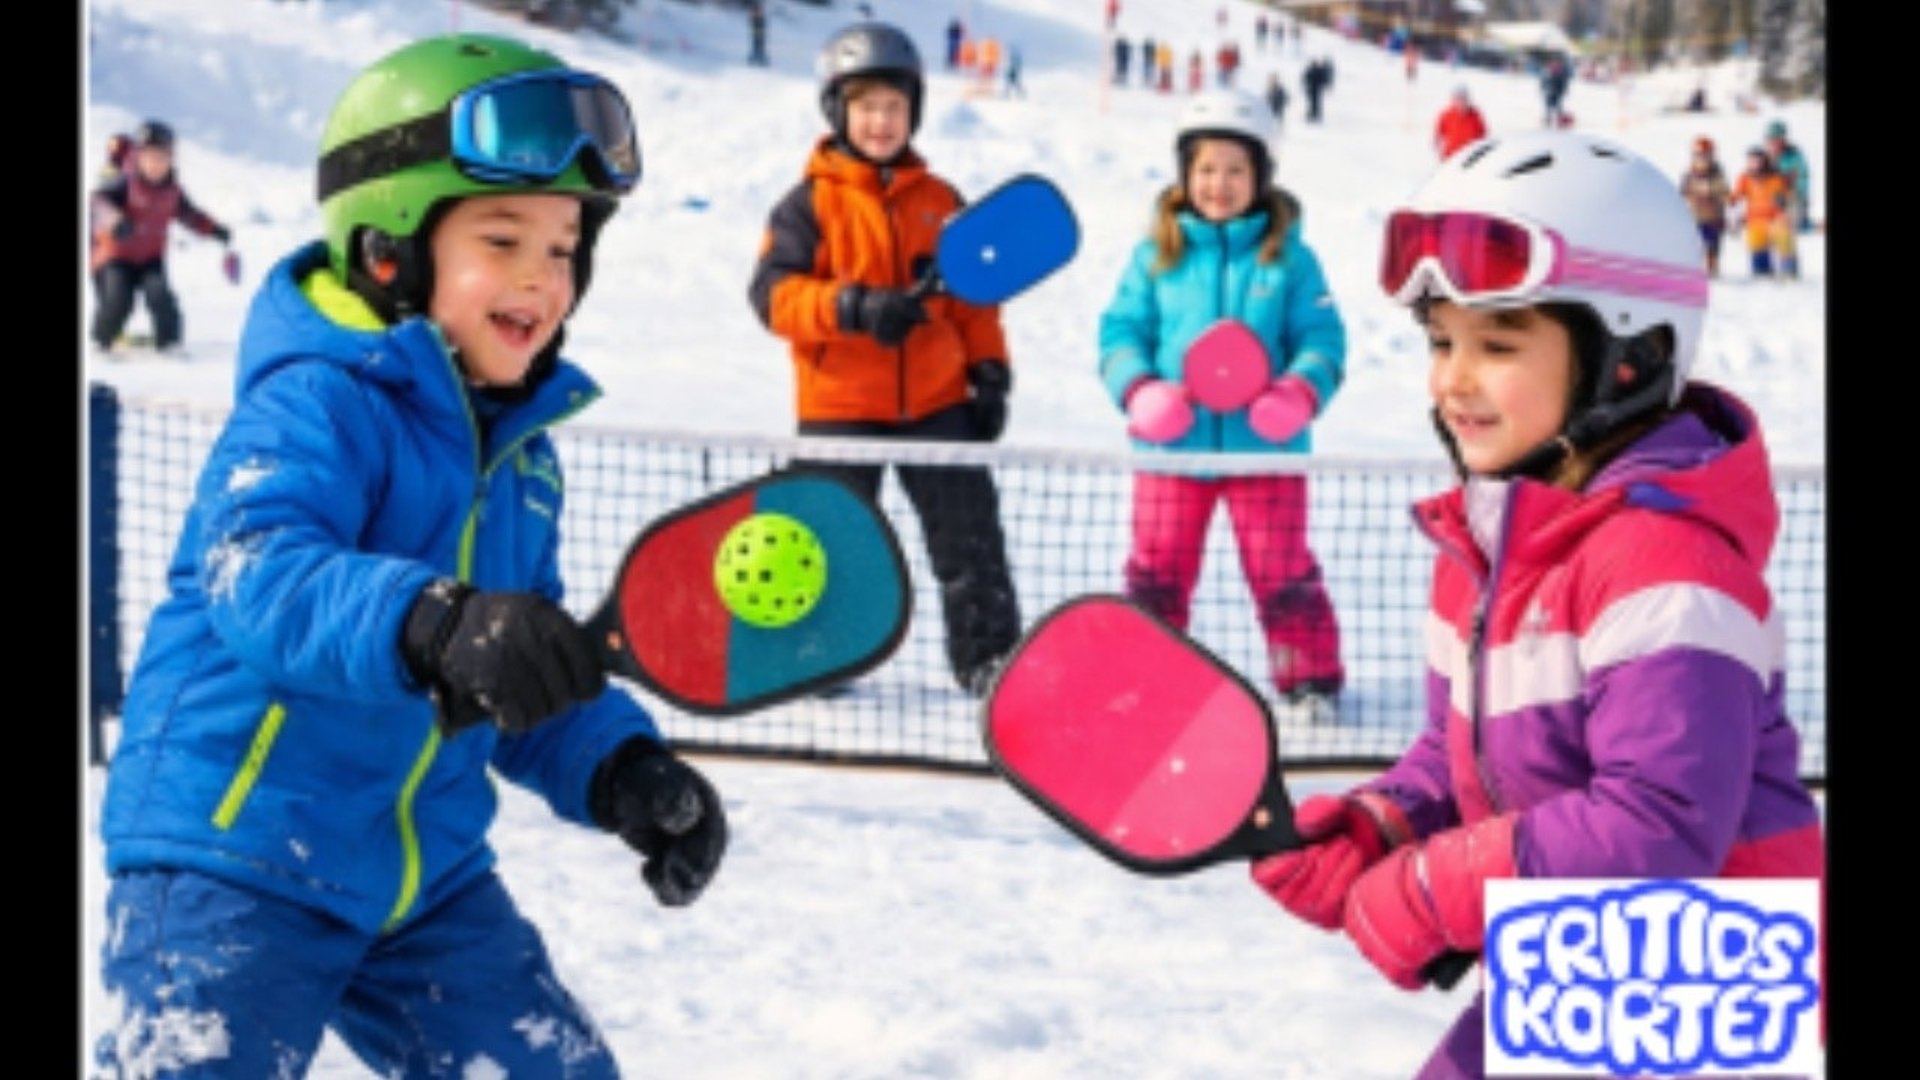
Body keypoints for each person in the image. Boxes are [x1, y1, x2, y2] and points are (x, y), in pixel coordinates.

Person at [92, 34, 729, 1078]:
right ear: (388, 250)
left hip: (420, 879)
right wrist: (430, 620)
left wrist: (619, 763)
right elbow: (257, 569)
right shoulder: (318, 402)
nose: (542, 277)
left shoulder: (523, 463)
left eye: (565, 248)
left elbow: (524, 665)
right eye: (504, 239)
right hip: (233, 855)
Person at [1247, 129, 1825, 1078]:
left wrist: (1434, 890)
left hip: (1710, 974)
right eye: (1441, 341)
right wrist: (1385, 826)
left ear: (1629, 359)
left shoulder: (1663, 559)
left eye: (1499, 343)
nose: (1452, 380)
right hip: (1592, 950)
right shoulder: (1486, 545)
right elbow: (1460, 748)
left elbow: (1663, 817)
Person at [748, 21, 1023, 698]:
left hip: (936, 402)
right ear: (838, 110)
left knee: (970, 542)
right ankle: (818, 659)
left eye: (894, 106)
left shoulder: (941, 202)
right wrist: (854, 308)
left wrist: (989, 372)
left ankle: (991, 662)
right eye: (866, 106)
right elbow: (774, 297)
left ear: (915, 113)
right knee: (830, 545)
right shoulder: (807, 204)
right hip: (840, 406)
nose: (880, 121)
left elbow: (974, 304)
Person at [1095, 89, 1348, 715]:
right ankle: (1145, 677)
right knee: (1156, 574)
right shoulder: (1155, 256)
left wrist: (1298, 392)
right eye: (1206, 168)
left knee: (1282, 570)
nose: (1220, 183)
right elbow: (1119, 332)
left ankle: (1308, 678)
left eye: (1236, 169)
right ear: (1185, 174)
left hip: (1267, 453)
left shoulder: (1290, 259)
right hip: (1170, 451)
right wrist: (1139, 391)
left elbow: (1322, 339)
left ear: (1261, 176)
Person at [88, 119, 235, 356]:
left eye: (163, 158)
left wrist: (215, 230)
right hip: (115, 256)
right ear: (138, 157)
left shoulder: (172, 191)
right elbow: (98, 203)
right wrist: (115, 221)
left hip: (150, 258)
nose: (157, 165)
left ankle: (170, 344)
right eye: (150, 158)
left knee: (161, 297)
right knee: (118, 299)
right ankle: (99, 342)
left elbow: (191, 216)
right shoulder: (125, 181)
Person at [1730, 144, 1798, 279]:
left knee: (1783, 238)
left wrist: (1783, 198)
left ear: (1764, 161)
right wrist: (1731, 205)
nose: (1753, 164)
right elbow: (1736, 196)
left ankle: (1789, 269)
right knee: (1757, 244)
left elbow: (1787, 195)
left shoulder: (1775, 177)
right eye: (1750, 161)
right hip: (1755, 219)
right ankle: (1762, 271)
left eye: (1756, 160)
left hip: (1775, 218)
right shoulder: (1745, 178)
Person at [1678, 135, 1731, 277]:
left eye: (1705, 157)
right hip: (1696, 217)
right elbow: (1682, 193)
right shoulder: (1689, 175)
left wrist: (1712, 191)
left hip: (1714, 217)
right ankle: (1694, 269)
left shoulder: (1717, 175)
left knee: (1712, 246)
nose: (1702, 161)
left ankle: (1712, 269)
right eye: (1699, 157)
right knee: (1695, 245)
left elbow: (1725, 194)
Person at [1763, 118, 1813, 233]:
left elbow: (1803, 180)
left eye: (1777, 139)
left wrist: (1790, 193)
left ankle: (1800, 221)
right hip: (1769, 198)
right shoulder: (1763, 157)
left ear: (1783, 139)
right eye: (1771, 139)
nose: (1773, 143)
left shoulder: (1795, 156)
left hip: (1791, 198)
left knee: (1792, 224)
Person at [1431, 84, 1486, 161]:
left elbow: (1483, 137)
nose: (1461, 102)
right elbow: (1437, 136)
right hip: (1451, 158)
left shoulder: (1475, 114)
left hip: (1470, 158)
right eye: (1458, 98)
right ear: (1453, 100)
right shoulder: (1446, 114)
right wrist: (1438, 151)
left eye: (1464, 98)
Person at [1539, 54, 1571, 127]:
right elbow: (1544, 80)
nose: (1554, 62)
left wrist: (1563, 91)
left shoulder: (1561, 70)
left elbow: (1564, 82)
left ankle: (1558, 119)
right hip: (1549, 90)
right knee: (1548, 105)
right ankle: (1548, 119)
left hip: (1557, 91)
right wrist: (1543, 88)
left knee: (1557, 106)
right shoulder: (1548, 69)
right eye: (1553, 61)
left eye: (1556, 61)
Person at [747, 0, 768, 66]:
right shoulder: (755, 18)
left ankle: (761, 58)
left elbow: (763, 26)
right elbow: (752, 24)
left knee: (761, 45)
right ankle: (755, 58)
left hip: (761, 34)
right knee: (755, 45)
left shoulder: (761, 19)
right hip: (756, 34)